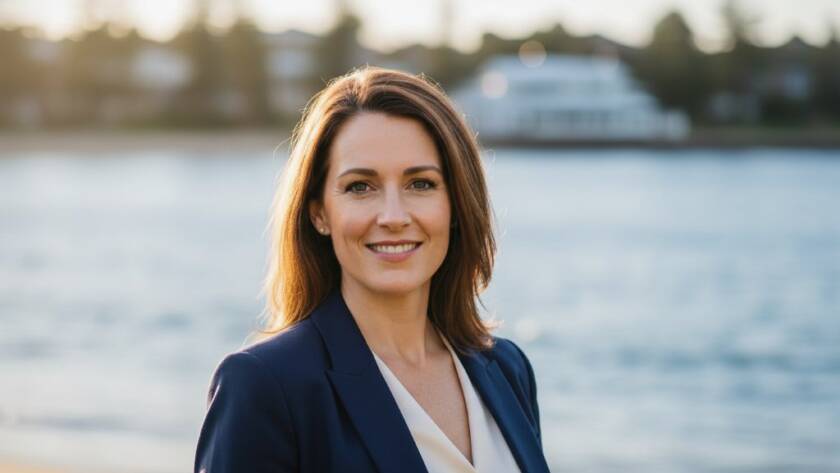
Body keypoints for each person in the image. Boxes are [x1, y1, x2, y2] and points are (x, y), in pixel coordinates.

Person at [194, 66, 550, 473]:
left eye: (421, 184)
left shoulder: (507, 368)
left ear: (454, 205)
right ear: (319, 214)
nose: (394, 216)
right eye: (360, 187)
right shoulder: (265, 386)